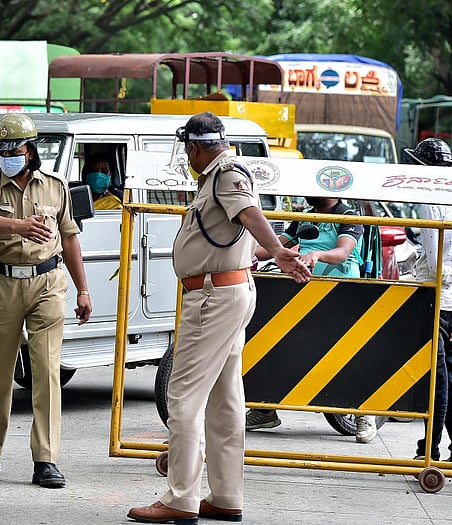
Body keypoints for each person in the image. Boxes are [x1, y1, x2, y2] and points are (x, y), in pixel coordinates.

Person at [127, 112, 310, 523]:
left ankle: (180, 498)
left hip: (212, 297)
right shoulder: (218, 176)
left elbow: (248, 215)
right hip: (227, 292)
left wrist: (278, 250)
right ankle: (226, 496)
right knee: (226, 400)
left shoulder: (225, 174)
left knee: (183, 397)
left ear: (193, 146)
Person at [0, 113, 92, 489]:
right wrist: (19, 226)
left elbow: (69, 239)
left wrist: (83, 290)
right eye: (0, 150)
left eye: (14, 150)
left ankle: (46, 460)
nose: (6, 157)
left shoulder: (55, 187)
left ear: (30, 151)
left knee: (47, 372)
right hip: (1, 282)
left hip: (47, 283)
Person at [246, 196, 380, 444]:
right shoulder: (304, 218)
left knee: (348, 356)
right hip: (304, 294)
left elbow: (342, 252)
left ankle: (365, 413)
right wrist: (241, 251)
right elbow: (271, 248)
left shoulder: (348, 216)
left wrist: (317, 254)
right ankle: (264, 410)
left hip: (342, 296)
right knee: (279, 346)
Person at [406, 138, 452, 461]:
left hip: (439, 295)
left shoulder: (429, 198)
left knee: (437, 376)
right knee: (448, 371)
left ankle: (429, 449)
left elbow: (435, 256)